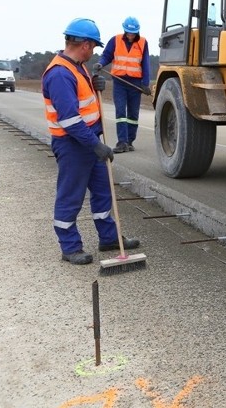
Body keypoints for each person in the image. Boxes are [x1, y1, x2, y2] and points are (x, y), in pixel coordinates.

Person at [41, 18, 140, 265]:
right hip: (73, 145)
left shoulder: (78, 67)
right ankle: (70, 247)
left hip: (89, 141)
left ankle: (109, 238)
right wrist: (95, 145)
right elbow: (70, 120)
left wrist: (96, 85)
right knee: (70, 196)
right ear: (84, 44)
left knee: (103, 193)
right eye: (93, 46)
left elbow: (86, 104)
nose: (94, 50)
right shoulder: (60, 74)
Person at [94, 16, 151, 153]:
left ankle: (130, 141)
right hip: (119, 82)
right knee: (120, 112)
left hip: (135, 84)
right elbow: (107, 55)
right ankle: (122, 142)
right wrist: (101, 63)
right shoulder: (115, 40)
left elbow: (146, 64)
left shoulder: (143, 43)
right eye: (128, 32)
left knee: (133, 114)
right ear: (124, 30)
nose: (130, 35)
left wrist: (145, 83)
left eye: (133, 33)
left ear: (137, 31)